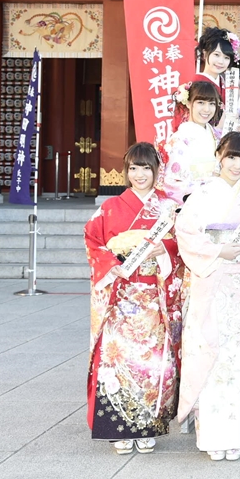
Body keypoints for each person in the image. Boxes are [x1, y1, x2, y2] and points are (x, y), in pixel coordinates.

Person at [175, 132, 240, 461]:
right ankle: (212, 435)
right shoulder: (201, 195)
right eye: (232, 156)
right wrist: (219, 250)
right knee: (212, 355)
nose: (238, 165)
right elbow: (186, 234)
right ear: (219, 155)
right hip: (214, 283)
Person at [83, 142, 183, 456]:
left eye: (146, 168)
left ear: (157, 171)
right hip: (120, 296)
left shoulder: (169, 207)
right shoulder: (110, 207)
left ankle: (147, 426)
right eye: (134, 168)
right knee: (117, 361)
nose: (140, 175)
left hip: (154, 297)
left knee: (152, 363)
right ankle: (118, 428)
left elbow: (184, 243)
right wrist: (110, 265)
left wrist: (165, 249)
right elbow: (93, 240)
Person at [157, 81, 222, 204]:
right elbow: (172, 182)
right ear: (188, 103)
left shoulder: (217, 136)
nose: (207, 109)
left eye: (212, 103)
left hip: (219, 199)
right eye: (201, 103)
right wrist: (208, 187)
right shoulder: (179, 139)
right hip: (194, 202)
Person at [194, 27, 238, 100]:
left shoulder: (225, 82)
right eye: (216, 55)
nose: (221, 62)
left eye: (226, 57)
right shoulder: (196, 84)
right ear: (205, 54)